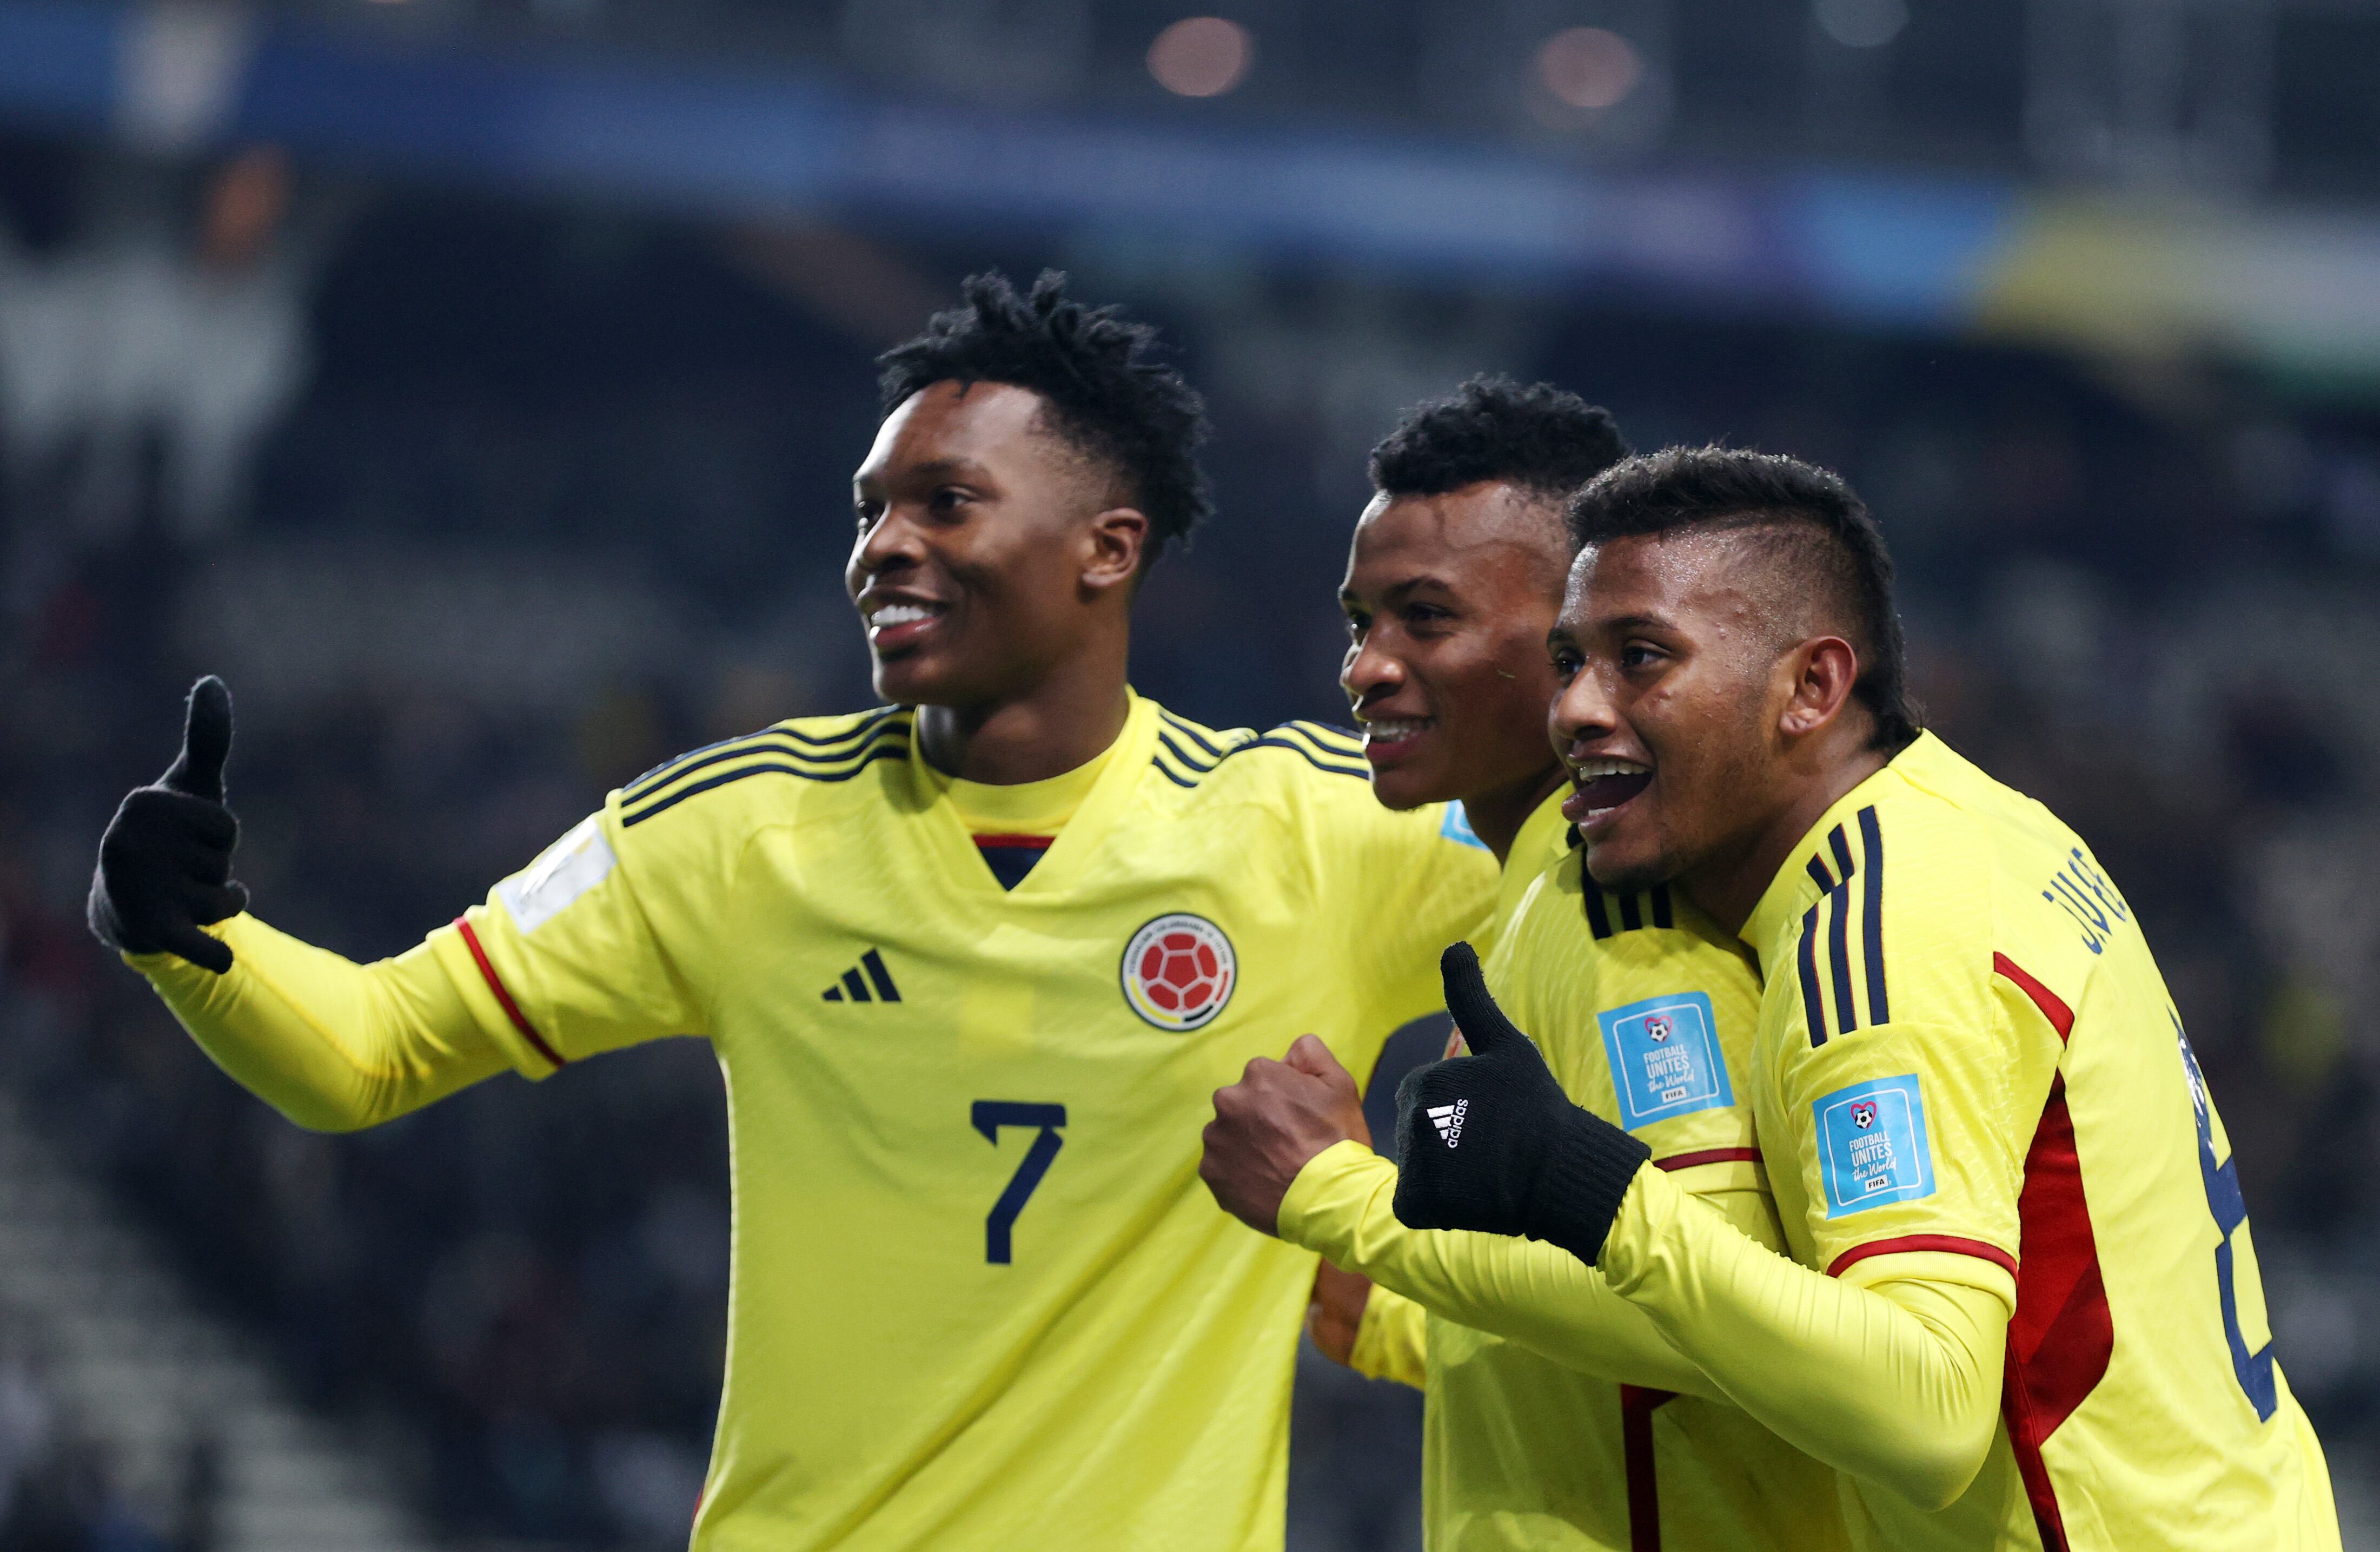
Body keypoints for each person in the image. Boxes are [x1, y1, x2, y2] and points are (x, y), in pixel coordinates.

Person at [84, 272, 1499, 1552]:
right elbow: (370, 1048)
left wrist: (1453, 1182)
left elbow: (1600, 899)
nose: (882, 546)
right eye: (870, 510)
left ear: (1105, 547)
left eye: (944, 502)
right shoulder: (736, 832)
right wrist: (191, 938)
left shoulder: (1325, 834)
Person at [1386, 447, 2341, 1550]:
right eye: (1569, 661)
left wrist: (1579, 1183)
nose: (1575, 710)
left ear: (1812, 688)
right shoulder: (1980, 825)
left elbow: (1927, 1410)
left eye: (1641, 658)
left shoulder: (1875, 931)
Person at [1201, 381, 1846, 1550]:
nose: (1365, 668)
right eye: (1360, 622)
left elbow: (1716, 1313)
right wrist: (1385, 1305)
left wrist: (1346, 1203)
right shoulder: (1530, 895)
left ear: (1573, 638)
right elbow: (1576, 1299)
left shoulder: (1617, 904)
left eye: (1424, 619)